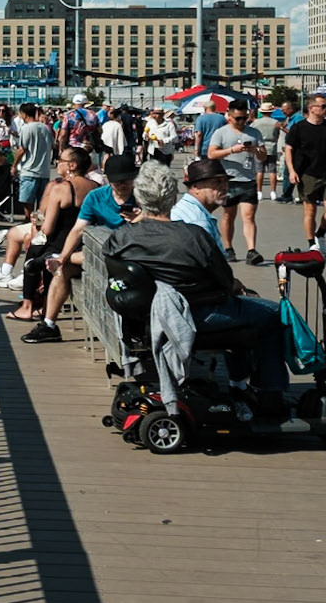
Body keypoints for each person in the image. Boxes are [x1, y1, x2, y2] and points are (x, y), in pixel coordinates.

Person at [103, 163, 288, 413]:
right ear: (173, 195)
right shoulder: (193, 236)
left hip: (145, 317)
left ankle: (242, 382)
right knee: (273, 314)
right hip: (196, 314)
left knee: (252, 308)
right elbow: (224, 281)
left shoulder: (121, 237)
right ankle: (269, 395)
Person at [22, 154, 140, 343]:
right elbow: (78, 229)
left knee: (68, 260)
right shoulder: (97, 197)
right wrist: (63, 258)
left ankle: (55, 257)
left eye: (127, 179)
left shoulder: (142, 196)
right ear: (109, 179)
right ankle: (49, 325)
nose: (123, 184)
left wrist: (140, 219)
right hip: (100, 254)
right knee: (63, 269)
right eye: (118, 181)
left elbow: (161, 222)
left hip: (131, 257)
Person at [0, 148, 94, 302]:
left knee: (34, 249)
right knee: (33, 242)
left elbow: (47, 229)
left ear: (72, 165)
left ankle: (29, 304)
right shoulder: (95, 187)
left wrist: (38, 224)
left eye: (61, 161)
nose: (57, 164)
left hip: (60, 245)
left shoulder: (61, 188)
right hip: (83, 244)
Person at [206, 99, 267, 263]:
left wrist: (255, 150)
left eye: (244, 118)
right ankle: (228, 248)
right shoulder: (221, 133)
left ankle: (251, 250)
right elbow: (211, 154)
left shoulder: (254, 133)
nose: (241, 122)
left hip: (249, 179)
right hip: (229, 180)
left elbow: (263, 156)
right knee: (228, 216)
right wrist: (232, 150)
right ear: (229, 116)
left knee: (248, 216)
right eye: (237, 118)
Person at [287, 94, 326, 255]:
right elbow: (289, 149)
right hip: (307, 174)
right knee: (310, 211)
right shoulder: (298, 128)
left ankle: (321, 234)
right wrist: (291, 171)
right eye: (323, 106)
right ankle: (312, 243)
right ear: (312, 109)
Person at [172, 159, 230, 243]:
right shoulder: (198, 223)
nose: (224, 187)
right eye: (217, 182)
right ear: (196, 187)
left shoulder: (184, 208)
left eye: (225, 182)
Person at [14, 105, 54, 209]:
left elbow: (22, 149)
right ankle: (40, 221)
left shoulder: (26, 128)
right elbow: (53, 145)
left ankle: (28, 220)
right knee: (42, 201)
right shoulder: (45, 127)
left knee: (27, 200)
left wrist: (14, 165)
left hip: (29, 170)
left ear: (23, 114)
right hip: (44, 170)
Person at [251, 104, 282, 198]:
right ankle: (273, 192)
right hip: (272, 147)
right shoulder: (275, 122)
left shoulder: (256, 122)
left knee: (259, 170)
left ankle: (259, 191)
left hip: (259, 147)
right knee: (272, 171)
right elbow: (277, 134)